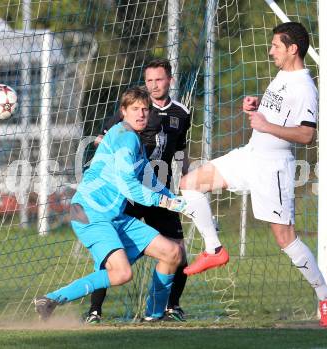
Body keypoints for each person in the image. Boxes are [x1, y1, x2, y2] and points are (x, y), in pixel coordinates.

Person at [178, 22, 327, 327]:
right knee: (190, 184)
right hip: (251, 155)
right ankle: (215, 249)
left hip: (274, 167)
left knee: (285, 238)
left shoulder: (305, 87)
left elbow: (306, 135)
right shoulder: (282, 76)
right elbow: (279, 112)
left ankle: (325, 295)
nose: (270, 50)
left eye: (276, 45)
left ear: (293, 48)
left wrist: (265, 125)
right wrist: (257, 105)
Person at [84, 59, 226, 323]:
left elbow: (181, 150)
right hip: (129, 192)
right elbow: (104, 138)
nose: (153, 85)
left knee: (178, 251)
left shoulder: (182, 113)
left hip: (158, 192)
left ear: (170, 80)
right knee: (110, 251)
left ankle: (171, 306)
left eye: (158, 80)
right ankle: (94, 310)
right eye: (149, 80)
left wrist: (186, 181)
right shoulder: (135, 109)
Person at [34, 86, 189, 322]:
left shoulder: (131, 138)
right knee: (121, 273)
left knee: (172, 252)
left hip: (113, 216)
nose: (141, 114)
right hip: (89, 212)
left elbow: (148, 177)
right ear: (123, 111)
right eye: (135, 109)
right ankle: (52, 299)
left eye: (145, 110)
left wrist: (176, 199)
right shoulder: (126, 138)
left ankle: (154, 316)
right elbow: (128, 184)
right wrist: (163, 201)